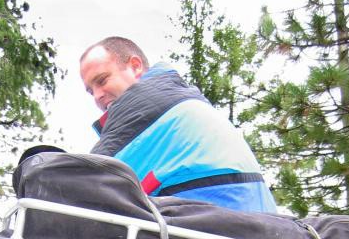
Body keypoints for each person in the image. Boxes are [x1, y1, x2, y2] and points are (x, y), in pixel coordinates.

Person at [79, 36, 276, 214]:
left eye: (102, 80)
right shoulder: (187, 102)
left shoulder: (147, 109)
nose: (97, 95)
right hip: (259, 229)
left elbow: (86, 183)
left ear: (136, 66)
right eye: (90, 91)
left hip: (215, 233)